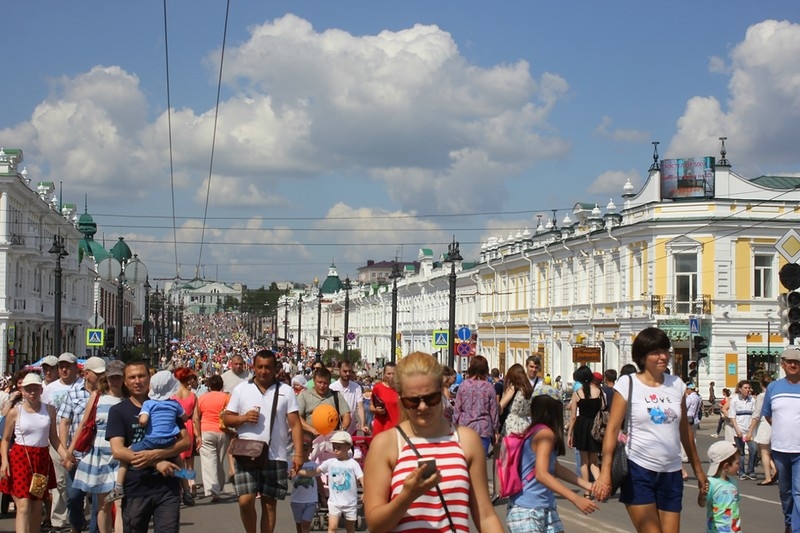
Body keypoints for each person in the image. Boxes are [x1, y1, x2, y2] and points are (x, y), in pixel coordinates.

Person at [363, 351, 503, 533]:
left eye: (431, 398)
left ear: (442, 393)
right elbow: (375, 525)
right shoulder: (386, 444)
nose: (422, 407)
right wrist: (406, 497)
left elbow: (485, 515)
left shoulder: (466, 440)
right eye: (412, 401)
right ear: (401, 399)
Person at [595, 327, 708, 533]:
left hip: (671, 473)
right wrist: (605, 473)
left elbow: (685, 432)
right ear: (642, 356)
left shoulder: (677, 385)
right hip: (639, 470)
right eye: (656, 352)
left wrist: (699, 471)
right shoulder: (628, 383)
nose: (663, 356)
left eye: (665, 350)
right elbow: (612, 430)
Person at [222, 349, 304, 533]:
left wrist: (298, 454)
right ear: (253, 367)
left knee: (269, 503)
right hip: (246, 453)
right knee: (245, 501)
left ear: (275, 368)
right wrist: (243, 418)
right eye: (259, 367)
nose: (263, 371)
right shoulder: (242, 389)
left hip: (275, 455)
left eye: (268, 367)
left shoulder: (286, 391)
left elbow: (296, 424)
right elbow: (227, 419)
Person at [106, 362, 191, 533]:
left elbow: (185, 442)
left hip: (167, 488)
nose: (137, 381)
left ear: (149, 379)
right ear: (125, 382)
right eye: (132, 377)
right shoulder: (118, 411)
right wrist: (156, 462)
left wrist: (158, 453)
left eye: (141, 376)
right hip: (136, 488)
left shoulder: (166, 405)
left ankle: (188, 486)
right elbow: (118, 450)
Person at [506, 386, 599, 533]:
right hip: (528, 510)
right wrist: (576, 499)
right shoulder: (545, 434)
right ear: (554, 410)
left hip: (543, 506)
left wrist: (588, 485)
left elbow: (555, 468)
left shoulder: (536, 430)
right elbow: (541, 474)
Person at [0, 373, 73, 533]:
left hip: (41, 460)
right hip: (20, 458)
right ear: (22, 391)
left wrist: (65, 455)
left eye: (35, 388)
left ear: (41, 390)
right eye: (28, 389)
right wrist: (4, 461)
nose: (32, 392)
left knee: (36, 505)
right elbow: (5, 439)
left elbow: (53, 438)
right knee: (24, 505)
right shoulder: (15, 412)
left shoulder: (49, 410)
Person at [70, 359, 125, 533]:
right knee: (103, 504)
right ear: (106, 378)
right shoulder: (97, 397)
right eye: (112, 377)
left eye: (118, 377)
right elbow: (84, 424)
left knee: (119, 502)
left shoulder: (128, 398)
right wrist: (70, 451)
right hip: (99, 454)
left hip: (121, 454)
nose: (115, 381)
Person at [57, 355, 105, 533]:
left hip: (98, 454)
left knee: (96, 500)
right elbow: (65, 422)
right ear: (86, 374)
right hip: (76, 454)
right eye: (96, 373)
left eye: (102, 373)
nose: (100, 377)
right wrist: (64, 452)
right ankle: (77, 524)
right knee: (74, 496)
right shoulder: (73, 393)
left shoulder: (106, 394)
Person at [42, 352, 83, 531]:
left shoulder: (82, 386)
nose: (64, 369)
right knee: (59, 480)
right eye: (61, 366)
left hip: (79, 436)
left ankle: (78, 516)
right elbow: (45, 413)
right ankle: (58, 520)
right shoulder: (50, 388)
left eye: (67, 366)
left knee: (79, 480)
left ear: (76, 367)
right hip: (56, 435)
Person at [761, 347, 800, 533]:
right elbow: (768, 415)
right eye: (790, 362)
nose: (793, 365)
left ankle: (796, 528)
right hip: (780, 449)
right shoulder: (774, 387)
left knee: (798, 491)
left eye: (797, 362)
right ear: (783, 364)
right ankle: (789, 522)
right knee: (785, 492)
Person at [295, 431, 364, 533]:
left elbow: (361, 477)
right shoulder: (330, 463)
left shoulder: (353, 464)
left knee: (350, 528)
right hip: (334, 502)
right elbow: (314, 472)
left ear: (348, 447)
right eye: (334, 447)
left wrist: (365, 491)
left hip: (350, 503)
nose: (335, 450)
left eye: (339, 447)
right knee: (332, 527)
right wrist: (299, 472)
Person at [454, 355, 500, 456]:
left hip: (465, 429)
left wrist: (454, 427)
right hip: (483, 429)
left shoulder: (463, 385)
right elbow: (493, 411)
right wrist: (496, 429)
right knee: (479, 464)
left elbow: (457, 409)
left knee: (465, 463)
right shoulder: (489, 387)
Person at [566, 365, 602, 493]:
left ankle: (587, 490)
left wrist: (569, 434)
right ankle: (600, 487)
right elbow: (603, 409)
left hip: (581, 426)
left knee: (583, 461)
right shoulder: (599, 392)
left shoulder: (577, 393)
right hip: (595, 426)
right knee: (594, 461)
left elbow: (573, 417)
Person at [196, 374, 231, 502]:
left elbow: (197, 416)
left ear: (209, 386)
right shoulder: (227, 397)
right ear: (222, 385)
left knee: (209, 461)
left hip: (206, 430)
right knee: (220, 462)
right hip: (222, 431)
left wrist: (197, 434)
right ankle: (219, 486)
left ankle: (213, 489)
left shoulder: (202, 398)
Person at [698, 441, 741, 533]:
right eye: (737, 463)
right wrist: (702, 495)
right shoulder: (711, 483)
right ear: (726, 466)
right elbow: (702, 503)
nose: (739, 466)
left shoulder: (734, 483)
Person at [172, 366, 200, 505]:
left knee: (178, 461)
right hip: (189, 426)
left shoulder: (172, 396)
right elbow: (196, 418)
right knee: (190, 460)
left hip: (176, 427)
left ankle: (182, 489)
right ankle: (192, 482)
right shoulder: (193, 395)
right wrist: (198, 435)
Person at [297, 367, 351, 437]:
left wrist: (342, 430)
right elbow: (297, 417)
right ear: (314, 381)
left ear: (329, 383)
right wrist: (312, 430)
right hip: (309, 438)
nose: (322, 386)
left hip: (331, 438)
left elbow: (346, 415)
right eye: (319, 382)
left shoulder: (336, 395)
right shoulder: (304, 395)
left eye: (325, 383)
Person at [290, 433, 319, 533]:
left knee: (305, 524)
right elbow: (287, 475)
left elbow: (318, 481)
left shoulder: (314, 465)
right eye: (300, 449)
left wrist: (323, 497)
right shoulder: (291, 464)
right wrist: (290, 474)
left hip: (311, 500)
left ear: (311, 450)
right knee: (299, 524)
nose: (303, 452)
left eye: (306, 449)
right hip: (296, 500)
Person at [329, 361, 368, 436]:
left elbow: (360, 406)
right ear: (339, 370)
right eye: (345, 371)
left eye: (349, 371)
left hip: (351, 429)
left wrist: (363, 424)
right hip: (336, 429)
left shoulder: (356, 387)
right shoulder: (332, 387)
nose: (347, 374)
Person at [752, 373, 777, 486]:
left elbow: (757, 414)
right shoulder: (776, 394)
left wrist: (750, 430)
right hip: (776, 424)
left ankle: (768, 477)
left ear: (762, 385)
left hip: (765, 423)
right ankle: (775, 470)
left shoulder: (762, 396)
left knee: (764, 452)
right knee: (770, 451)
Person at [729, 379, 757, 480]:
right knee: (741, 452)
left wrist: (751, 430)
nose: (747, 390)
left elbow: (755, 416)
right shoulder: (735, 400)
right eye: (745, 388)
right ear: (740, 389)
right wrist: (737, 430)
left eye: (748, 388)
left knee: (753, 449)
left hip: (750, 430)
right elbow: (732, 416)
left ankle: (751, 470)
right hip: (739, 429)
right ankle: (741, 471)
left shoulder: (752, 400)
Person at [498, 363, 532, 436]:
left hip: (512, 423)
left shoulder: (514, 388)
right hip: (525, 423)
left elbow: (502, 405)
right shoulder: (529, 389)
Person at [370, 363, 400, 436]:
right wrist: (377, 410)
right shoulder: (378, 388)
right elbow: (371, 406)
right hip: (381, 426)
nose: (391, 376)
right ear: (384, 374)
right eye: (388, 374)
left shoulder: (400, 388)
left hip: (397, 426)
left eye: (394, 374)